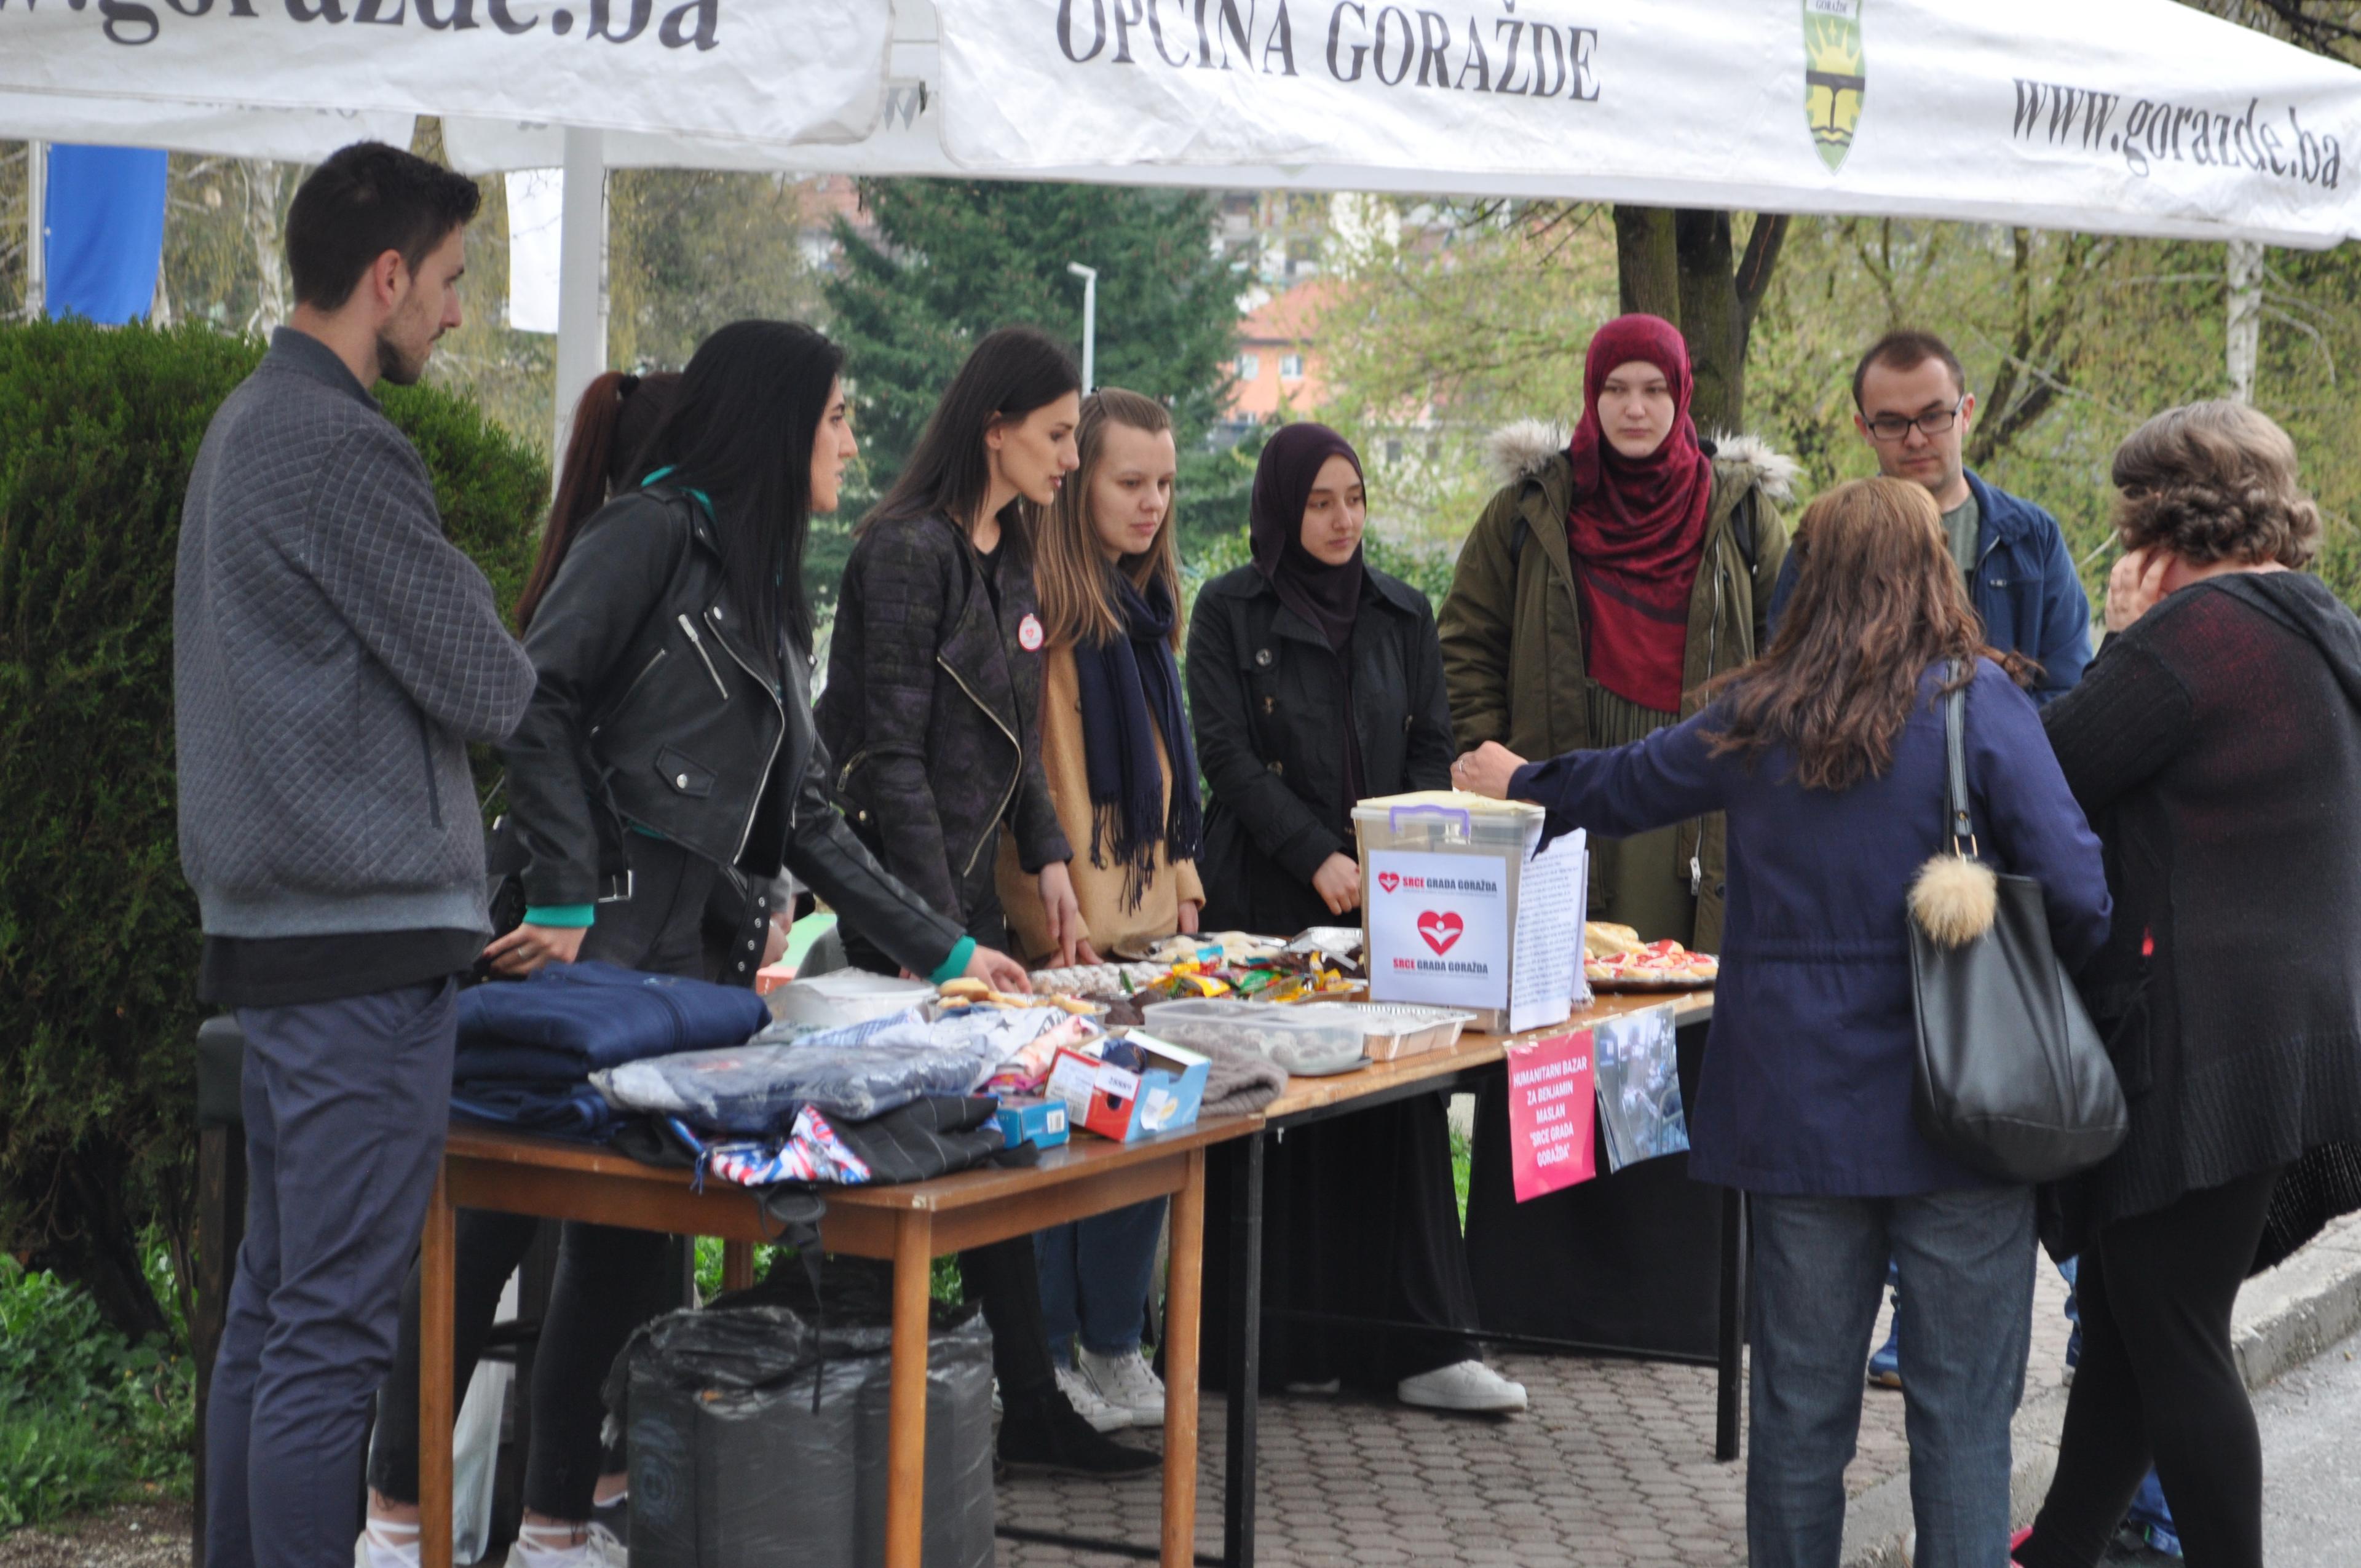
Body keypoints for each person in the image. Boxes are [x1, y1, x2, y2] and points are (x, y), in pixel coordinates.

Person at [360, 322, 1035, 1568]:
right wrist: (561, 888)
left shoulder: (767, 586)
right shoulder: (652, 532)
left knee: (623, 1258)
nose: (852, 439)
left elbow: (814, 820)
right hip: (563, 964)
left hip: (680, 986)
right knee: (484, 1240)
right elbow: (531, 693)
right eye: (837, 415)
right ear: (780, 422)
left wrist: (944, 955)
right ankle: (395, 1534)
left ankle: (560, 1533)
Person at [1455, 475, 2110, 1568]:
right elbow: (2078, 890)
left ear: (1805, 579)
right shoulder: (1976, 701)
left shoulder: (1756, 713)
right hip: (1967, 1116)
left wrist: (1523, 777)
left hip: (1794, 1114)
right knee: (1961, 1419)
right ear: (1932, 573)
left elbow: (1623, 788)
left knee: (1801, 1420)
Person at [175, 141, 539, 1568]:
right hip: (361, 947)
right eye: (450, 281)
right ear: (386, 276)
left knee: (276, 1318)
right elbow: (493, 682)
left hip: (287, 939)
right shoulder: (337, 443)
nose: (456, 313)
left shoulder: (245, 423)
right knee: (328, 1338)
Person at [2015, 403, 2361, 1568]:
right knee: (2128, 1325)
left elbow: (2050, 773)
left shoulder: (2198, 631)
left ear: (2157, 512)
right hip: (2292, 1027)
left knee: (2169, 1331)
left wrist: (2122, 639)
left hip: (2205, 1039)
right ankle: (2057, 1553)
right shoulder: (2317, 624)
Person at [818, 325, 1158, 1475]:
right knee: (913, 1164)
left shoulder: (1011, 548)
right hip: (895, 913)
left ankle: (1028, 1399)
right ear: (996, 429)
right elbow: (890, 760)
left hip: (959, 905)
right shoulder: (905, 552)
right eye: (1060, 436)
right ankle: (873, 1416)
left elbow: (1015, 736)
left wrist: (1052, 860)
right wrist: (938, 937)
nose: (1071, 458)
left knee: (999, 1147)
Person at [1439, 312, 1793, 1348]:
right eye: (1615, 390)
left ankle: (1664, 1303)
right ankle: (1546, 1299)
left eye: (1654, 391)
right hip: (1558, 813)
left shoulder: (1741, 517)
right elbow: (1468, 640)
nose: (1634, 409)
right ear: (1590, 398)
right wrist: (1495, 766)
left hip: (1691, 812)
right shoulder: (1527, 512)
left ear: (1683, 401)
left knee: (1665, 1032)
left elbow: (1787, 651)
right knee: (1557, 1028)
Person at [1187, 421, 1525, 1414]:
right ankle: (1267, 1345)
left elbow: (1434, 746)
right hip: (1267, 901)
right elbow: (1228, 759)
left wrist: (1396, 860)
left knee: (1400, 1106)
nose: (1343, 521)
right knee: (1276, 1117)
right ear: (1285, 510)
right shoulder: (1228, 611)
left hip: (1391, 907)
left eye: (1355, 499)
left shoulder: (1401, 613)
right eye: (1320, 502)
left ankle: (1419, 1344)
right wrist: (1318, 856)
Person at [995, 388, 1203, 1430]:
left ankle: (1114, 1343)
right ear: (1079, 487)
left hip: (1146, 924)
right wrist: (1052, 884)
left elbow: (1172, 771)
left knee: (1141, 1142)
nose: (1150, 503)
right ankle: (1048, 1356)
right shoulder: (1043, 610)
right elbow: (1028, 766)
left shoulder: (1148, 611)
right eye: (1129, 482)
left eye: (1165, 484)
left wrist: (1186, 880)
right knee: (1055, 1152)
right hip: (1065, 927)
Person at [1770, 329, 2092, 703]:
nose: (1916, 439)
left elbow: (2070, 691)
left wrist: (1989, 744)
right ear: (1865, 431)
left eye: (1933, 416)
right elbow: (1786, 689)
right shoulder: (1824, 542)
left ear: (1966, 414)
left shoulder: (2032, 538)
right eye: (1892, 423)